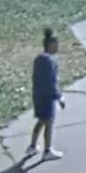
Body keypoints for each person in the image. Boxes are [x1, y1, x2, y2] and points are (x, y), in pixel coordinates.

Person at [27, 29, 65, 161]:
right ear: (51, 45)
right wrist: (59, 97)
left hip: (38, 96)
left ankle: (32, 146)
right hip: (47, 98)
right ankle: (47, 150)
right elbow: (51, 82)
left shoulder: (39, 59)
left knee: (41, 121)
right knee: (48, 123)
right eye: (56, 44)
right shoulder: (49, 61)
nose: (58, 46)